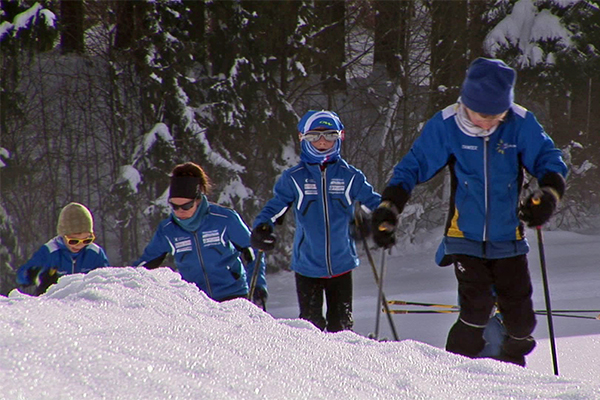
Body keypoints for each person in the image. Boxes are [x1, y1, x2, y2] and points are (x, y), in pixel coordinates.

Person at [371, 58, 568, 366]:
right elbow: (412, 166)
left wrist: (549, 194)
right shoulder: (447, 125)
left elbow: (548, 158)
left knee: (522, 325)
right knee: (475, 310)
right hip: (464, 238)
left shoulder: (519, 122)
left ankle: (510, 361)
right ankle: (454, 373)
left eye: (497, 115)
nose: (489, 123)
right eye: (481, 115)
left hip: (509, 238)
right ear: (466, 103)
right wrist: (389, 206)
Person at [250, 110, 381, 332]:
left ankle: (342, 364)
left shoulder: (350, 176)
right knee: (311, 327)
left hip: (341, 264)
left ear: (340, 137)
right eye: (314, 136)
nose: (322, 142)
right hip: (307, 266)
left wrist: (372, 221)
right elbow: (275, 207)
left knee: (341, 326)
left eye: (329, 136)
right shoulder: (294, 178)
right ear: (303, 138)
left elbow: (374, 203)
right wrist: (262, 227)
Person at [133, 162, 267, 307]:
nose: (179, 211)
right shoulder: (168, 230)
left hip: (233, 297)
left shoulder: (224, 219)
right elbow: (144, 265)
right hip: (196, 302)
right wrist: (121, 282)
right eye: (174, 206)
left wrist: (258, 285)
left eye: (186, 206)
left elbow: (253, 249)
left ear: (197, 199)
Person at [16, 202, 110, 295]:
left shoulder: (95, 253)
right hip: (54, 302)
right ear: (63, 235)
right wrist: (32, 275)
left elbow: (107, 279)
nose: (80, 245)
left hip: (84, 302)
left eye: (87, 240)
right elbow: (22, 275)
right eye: (74, 241)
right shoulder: (51, 251)